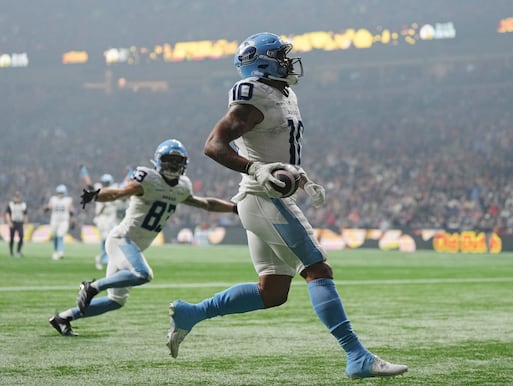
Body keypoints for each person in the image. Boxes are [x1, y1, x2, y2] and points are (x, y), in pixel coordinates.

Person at [166, 32, 408, 380]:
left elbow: (275, 149)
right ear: (261, 61)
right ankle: (357, 355)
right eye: (279, 55)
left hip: (265, 198)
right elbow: (213, 144)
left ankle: (191, 314)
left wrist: (300, 176)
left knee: (273, 292)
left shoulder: (284, 92)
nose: (287, 60)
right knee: (318, 269)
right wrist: (256, 169)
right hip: (263, 199)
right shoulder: (253, 94)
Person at [48, 139, 237, 337]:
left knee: (115, 301)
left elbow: (206, 203)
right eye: (168, 160)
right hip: (122, 239)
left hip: (133, 247)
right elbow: (119, 193)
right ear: (158, 161)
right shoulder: (148, 179)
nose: (173, 165)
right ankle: (92, 287)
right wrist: (96, 195)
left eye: (177, 161)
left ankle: (63, 318)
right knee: (142, 274)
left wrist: (233, 208)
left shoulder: (182, 186)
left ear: (184, 164)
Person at [93, 173, 120, 270]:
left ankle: (106, 256)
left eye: (107, 182)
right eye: (104, 182)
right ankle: (103, 257)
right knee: (105, 238)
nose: (105, 184)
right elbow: (89, 185)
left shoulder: (113, 188)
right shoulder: (99, 188)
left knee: (111, 238)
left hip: (112, 218)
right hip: (102, 217)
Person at [44, 184, 75, 260]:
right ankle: (55, 251)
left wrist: (73, 219)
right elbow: (49, 206)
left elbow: (71, 210)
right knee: (55, 236)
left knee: (60, 235)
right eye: (59, 192)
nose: (60, 194)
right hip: (54, 220)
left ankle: (60, 251)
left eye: (62, 193)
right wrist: (46, 208)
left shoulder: (68, 200)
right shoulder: (53, 199)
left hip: (64, 220)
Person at [5, 191, 28, 257]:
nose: (17, 199)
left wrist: (25, 223)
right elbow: (7, 214)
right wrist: (9, 222)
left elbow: (25, 214)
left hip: (20, 222)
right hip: (13, 222)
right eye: (16, 197)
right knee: (11, 238)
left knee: (21, 236)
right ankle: (11, 252)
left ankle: (18, 251)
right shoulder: (11, 204)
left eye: (18, 197)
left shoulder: (23, 205)